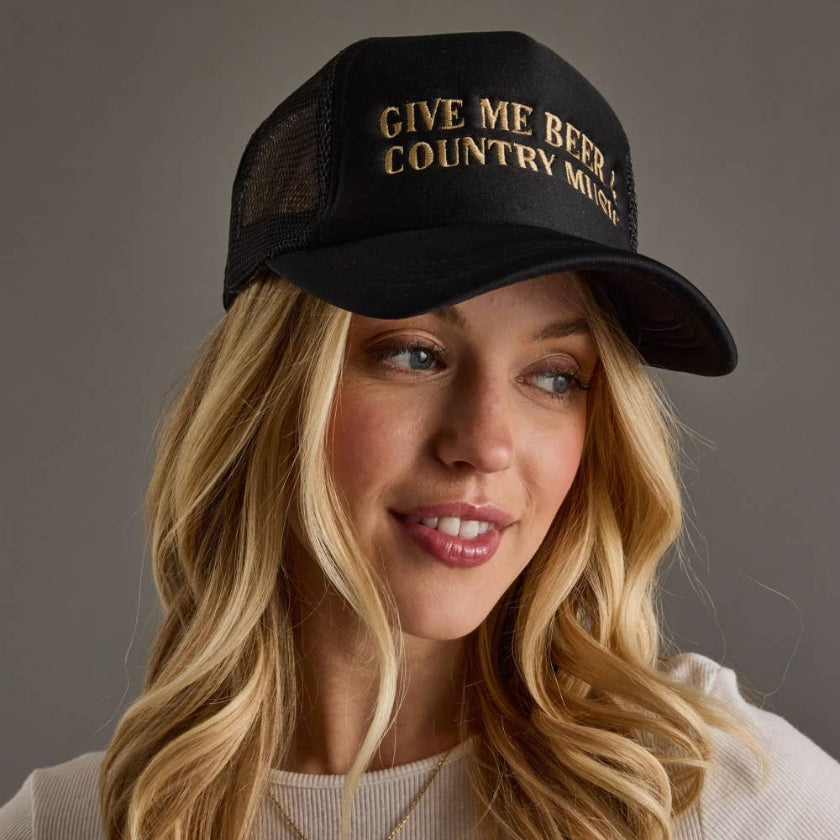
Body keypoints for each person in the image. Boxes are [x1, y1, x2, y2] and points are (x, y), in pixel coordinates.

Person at [2, 30, 838, 840]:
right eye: (414, 353)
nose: (486, 444)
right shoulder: (80, 823)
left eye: (554, 376)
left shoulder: (714, 797)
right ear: (270, 391)